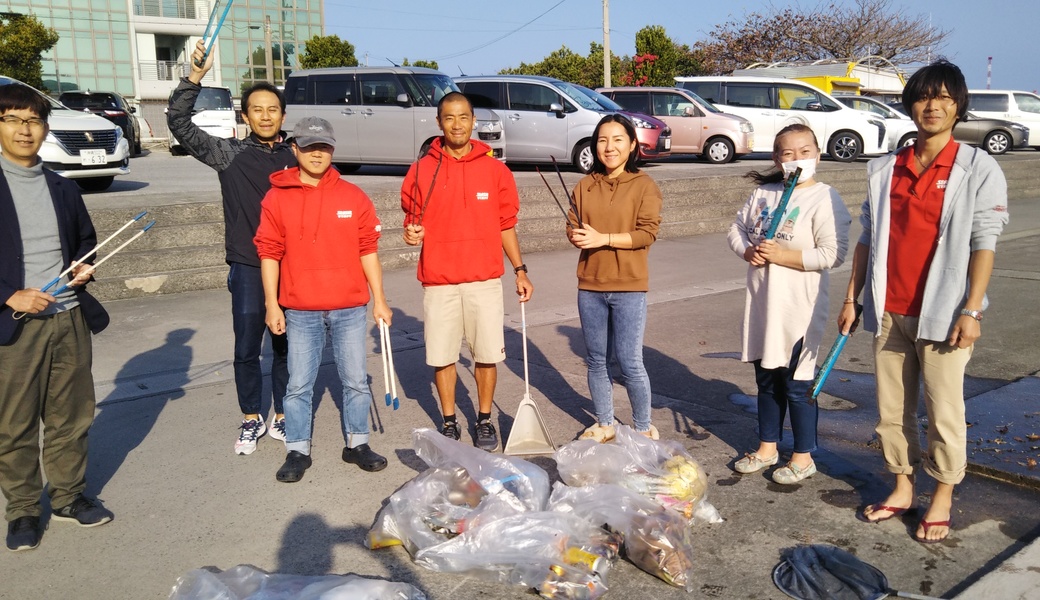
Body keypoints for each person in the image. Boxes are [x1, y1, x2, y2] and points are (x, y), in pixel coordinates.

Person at [839, 60, 1008, 543]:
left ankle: (943, 495)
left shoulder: (977, 167)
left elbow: (984, 241)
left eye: (944, 98)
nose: (933, 106)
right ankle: (902, 488)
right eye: (923, 97)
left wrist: (972, 309)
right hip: (889, 311)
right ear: (910, 104)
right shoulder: (884, 169)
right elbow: (867, 238)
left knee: (943, 411)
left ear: (958, 106)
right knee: (891, 410)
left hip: (946, 314)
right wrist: (853, 298)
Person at [0, 83, 114, 551]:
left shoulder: (62, 187)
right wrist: (10, 295)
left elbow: (85, 241)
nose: (25, 129)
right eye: (13, 119)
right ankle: (23, 509)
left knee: (72, 415)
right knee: (14, 423)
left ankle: (68, 496)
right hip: (16, 324)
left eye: (33, 120)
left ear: (45, 128)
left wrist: (85, 268)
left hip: (68, 316)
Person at [168, 40, 295, 455]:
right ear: (245, 115)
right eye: (257, 109)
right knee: (246, 347)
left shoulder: (297, 156)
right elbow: (179, 123)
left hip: (294, 266)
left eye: (273, 109)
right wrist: (194, 78)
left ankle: (282, 415)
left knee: (286, 346)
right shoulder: (228, 154)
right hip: (248, 264)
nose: (265, 116)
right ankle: (251, 417)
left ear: (283, 115)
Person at [255, 117, 391, 483]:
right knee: (299, 384)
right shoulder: (276, 197)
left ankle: (357, 444)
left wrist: (379, 299)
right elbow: (268, 253)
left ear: (332, 149)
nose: (317, 154)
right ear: (294, 148)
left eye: (324, 147)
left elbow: (368, 250)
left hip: (350, 307)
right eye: (309, 147)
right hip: (300, 310)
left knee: (356, 380)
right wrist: (272, 304)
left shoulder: (353, 196)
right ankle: (297, 450)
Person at [400, 92, 533, 452]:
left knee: (487, 355)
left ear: (474, 121)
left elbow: (506, 224)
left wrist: (520, 270)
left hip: (484, 281)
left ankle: (484, 419)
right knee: (442, 357)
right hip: (439, 282)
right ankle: (448, 421)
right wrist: (412, 233)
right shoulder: (421, 169)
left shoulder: (495, 170)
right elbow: (412, 221)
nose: (457, 124)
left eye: (463, 117)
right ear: (439, 122)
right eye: (449, 118)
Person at [727, 124, 851, 484]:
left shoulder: (826, 198)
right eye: (788, 153)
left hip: (799, 310)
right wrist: (747, 251)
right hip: (762, 306)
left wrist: (781, 255)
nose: (797, 159)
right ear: (776, 158)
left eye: (805, 151)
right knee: (767, 380)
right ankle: (767, 447)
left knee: (797, 385)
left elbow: (832, 254)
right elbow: (736, 229)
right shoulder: (763, 193)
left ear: (818, 155)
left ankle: (803, 456)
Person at [567, 114, 663, 443]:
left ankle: (642, 426)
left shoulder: (644, 185)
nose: (609, 147)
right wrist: (577, 236)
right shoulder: (584, 185)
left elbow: (646, 234)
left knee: (630, 361)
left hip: (629, 287)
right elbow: (572, 224)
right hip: (590, 285)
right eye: (603, 140)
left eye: (618, 139)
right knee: (596, 360)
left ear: (632, 144)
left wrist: (603, 238)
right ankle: (605, 423)